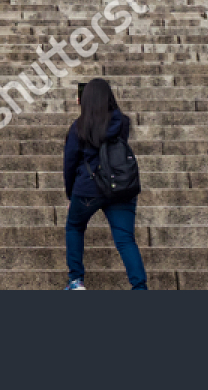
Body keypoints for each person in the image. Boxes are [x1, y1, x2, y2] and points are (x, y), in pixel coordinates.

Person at [62, 78, 147, 290]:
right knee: (126, 240)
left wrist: (71, 194)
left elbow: (70, 163)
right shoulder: (123, 123)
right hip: (120, 186)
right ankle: (139, 288)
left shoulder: (78, 126)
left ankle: (76, 281)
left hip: (88, 188)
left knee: (75, 227)